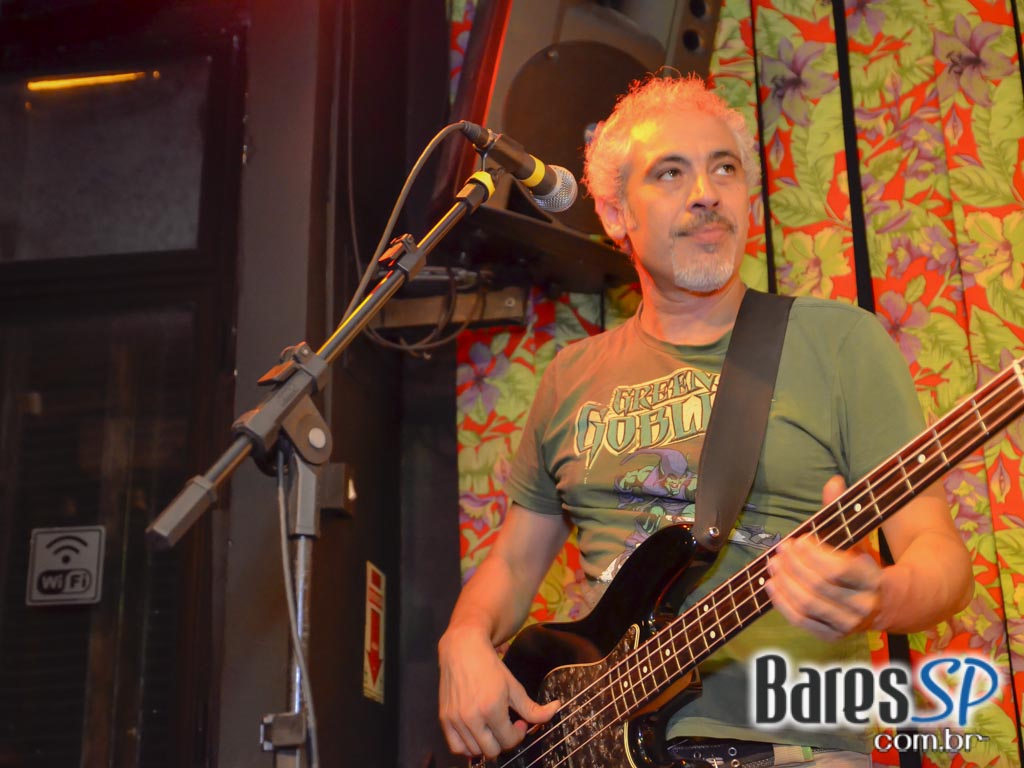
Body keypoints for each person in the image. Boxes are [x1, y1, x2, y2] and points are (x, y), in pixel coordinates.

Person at [438, 74, 973, 766]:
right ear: (616, 214)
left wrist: (881, 597)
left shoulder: (841, 343)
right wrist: (464, 636)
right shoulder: (570, 377)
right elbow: (514, 565)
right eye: (671, 172)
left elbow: (940, 556)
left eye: (725, 169)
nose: (706, 193)